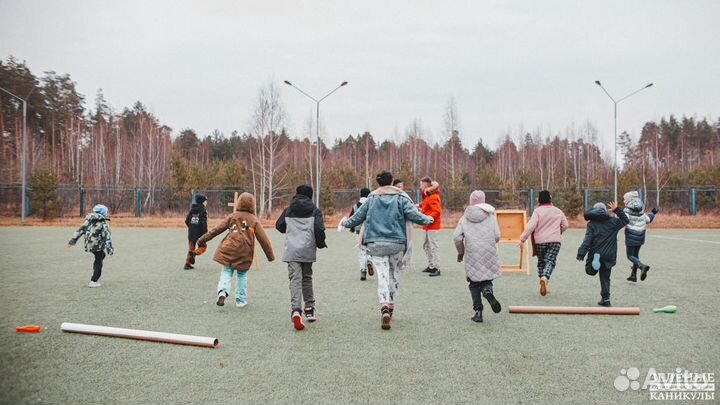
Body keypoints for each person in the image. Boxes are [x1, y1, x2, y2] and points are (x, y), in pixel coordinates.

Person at [342, 171, 433, 330]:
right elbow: (414, 215)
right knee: (394, 273)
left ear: (378, 183)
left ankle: (383, 305)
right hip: (397, 243)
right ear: (391, 182)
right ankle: (391, 305)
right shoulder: (401, 197)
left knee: (382, 275)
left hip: (376, 243)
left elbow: (358, 217)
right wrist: (428, 219)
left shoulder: (371, 198)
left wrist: (345, 223)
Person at [196, 193, 274, 308]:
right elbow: (264, 240)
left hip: (229, 248)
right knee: (242, 275)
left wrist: (202, 240)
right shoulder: (254, 220)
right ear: (253, 206)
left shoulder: (232, 216)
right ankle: (240, 300)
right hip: (244, 251)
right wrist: (270, 256)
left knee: (226, 271)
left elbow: (216, 230)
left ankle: (222, 291)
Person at [275, 185, 327, 331]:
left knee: (295, 280)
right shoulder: (315, 210)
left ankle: (296, 310)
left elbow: (279, 226)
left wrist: (291, 228)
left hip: (292, 250)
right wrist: (321, 243)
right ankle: (309, 309)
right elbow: (318, 228)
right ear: (310, 195)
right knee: (307, 278)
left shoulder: (289, 210)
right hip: (307, 249)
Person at [453, 191, 502, 323]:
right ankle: (487, 291)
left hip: (472, 252)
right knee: (486, 278)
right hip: (488, 250)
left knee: (474, 283)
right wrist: (490, 243)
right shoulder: (491, 217)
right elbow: (497, 235)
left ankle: (478, 312)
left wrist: (461, 252)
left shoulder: (464, 218)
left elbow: (457, 238)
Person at [576, 201, 629, 307]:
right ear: (605, 211)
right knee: (605, 277)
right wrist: (616, 210)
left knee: (589, 271)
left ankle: (595, 267)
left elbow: (588, 240)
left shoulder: (591, 224)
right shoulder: (613, 222)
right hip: (609, 254)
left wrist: (581, 253)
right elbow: (625, 220)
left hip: (596, 252)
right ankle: (606, 299)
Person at [519, 190, 569, 296]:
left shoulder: (537, 211)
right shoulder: (558, 211)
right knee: (550, 261)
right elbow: (565, 225)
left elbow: (531, 226)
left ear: (540, 201)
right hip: (555, 241)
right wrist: (558, 232)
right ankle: (545, 278)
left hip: (540, 241)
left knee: (541, 262)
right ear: (550, 199)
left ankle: (543, 280)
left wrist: (523, 239)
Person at [68, 204, 114, 288]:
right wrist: (110, 249)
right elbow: (107, 237)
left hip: (89, 244)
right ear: (104, 213)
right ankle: (94, 280)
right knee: (99, 260)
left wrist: (73, 240)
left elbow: (80, 230)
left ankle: (94, 278)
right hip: (98, 245)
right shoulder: (103, 223)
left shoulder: (88, 221)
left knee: (100, 256)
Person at [622, 191, 660, 282]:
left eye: (624, 199)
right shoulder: (641, 210)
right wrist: (653, 213)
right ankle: (633, 276)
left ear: (629, 200)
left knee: (630, 256)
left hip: (631, 235)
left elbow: (623, 220)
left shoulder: (627, 211)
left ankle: (642, 266)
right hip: (641, 236)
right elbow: (648, 220)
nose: (623, 201)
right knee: (636, 255)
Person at [419, 177, 442, 277]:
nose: (420, 187)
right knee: (427, 246)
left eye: (421, 184)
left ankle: (437, 267)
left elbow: (437, 211)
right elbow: (425, 205)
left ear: (426, 185)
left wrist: (429, 218)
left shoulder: (433, 197)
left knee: (433, 246)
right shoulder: (427, 196)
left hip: (432, 225)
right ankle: (431, 265)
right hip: (427, 225)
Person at [349, 187, 373, 281]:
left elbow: (352, 218)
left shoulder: (356, 206)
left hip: (359, 232)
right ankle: (370, 261)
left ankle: (363, 271)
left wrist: (352, 228)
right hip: (371, 231)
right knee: (370, 249)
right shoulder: (372, 204)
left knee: (361, 252)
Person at [184, 194, 208, 270]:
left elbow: (187, 220)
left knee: (191, 248)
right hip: (200, 234)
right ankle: (194, 253)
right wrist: (205, 234)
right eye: (205, 201)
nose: (206, 202)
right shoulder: (203, 211)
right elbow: (203, 224)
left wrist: (191, 228)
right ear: (202, 202)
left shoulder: (192, 210)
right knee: (203, 247)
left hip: (191, 233)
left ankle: (187, 264)